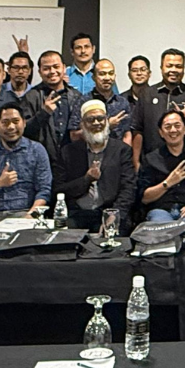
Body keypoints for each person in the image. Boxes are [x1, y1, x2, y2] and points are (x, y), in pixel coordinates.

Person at [52, 100, 136, 232]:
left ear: (107, 121)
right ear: (82, 124)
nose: (96, 123)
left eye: (100, 118)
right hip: (76, 214)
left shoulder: (121, 150)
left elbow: (128, 188)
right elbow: (58, 190)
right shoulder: (68, 152)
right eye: (90, 120)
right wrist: (86, 179)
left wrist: (114, 214)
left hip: (108, 212)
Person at [0, 103, 51, 229]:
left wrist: (32, 215)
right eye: (5, 122)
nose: (11, 127)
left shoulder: (37, 150)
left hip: (24, 212)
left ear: (24, 123)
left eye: (16, 121)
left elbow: (44, 191)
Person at [129, 49, 185, 166]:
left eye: (178, 66)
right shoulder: (147, 94)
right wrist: (136, 161)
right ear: (161, 68)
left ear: (183, 69)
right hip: (152, 163)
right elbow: (137, 129)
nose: (173, 70)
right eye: (169, 66)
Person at [136, 110, 185, 231]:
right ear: (161, 132)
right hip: (160, 211)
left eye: (177, 125)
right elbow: (144, 198)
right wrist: (167, 183)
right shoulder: (151, 159)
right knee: (162, 233)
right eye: (168, 127)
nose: (173, 130)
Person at [20, 51, 85, 165]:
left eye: (56, 67)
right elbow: (23, 131)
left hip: (72, 160)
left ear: (64, 68)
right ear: (40, 72)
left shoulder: (76, 96)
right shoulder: (31, 96)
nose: (52, 71)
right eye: (46, 68)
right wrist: (44, 113)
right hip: (41, 161)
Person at [90, 59, 133, 142]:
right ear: (93, 77)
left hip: (118, 149)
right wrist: (106, 126)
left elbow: (127, 134)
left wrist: (126, 150)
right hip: (91, 148)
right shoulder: (85, 101)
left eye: (111, 73)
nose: (107, 78)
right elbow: (74, 135)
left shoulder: (122, 102)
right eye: (102, 74)